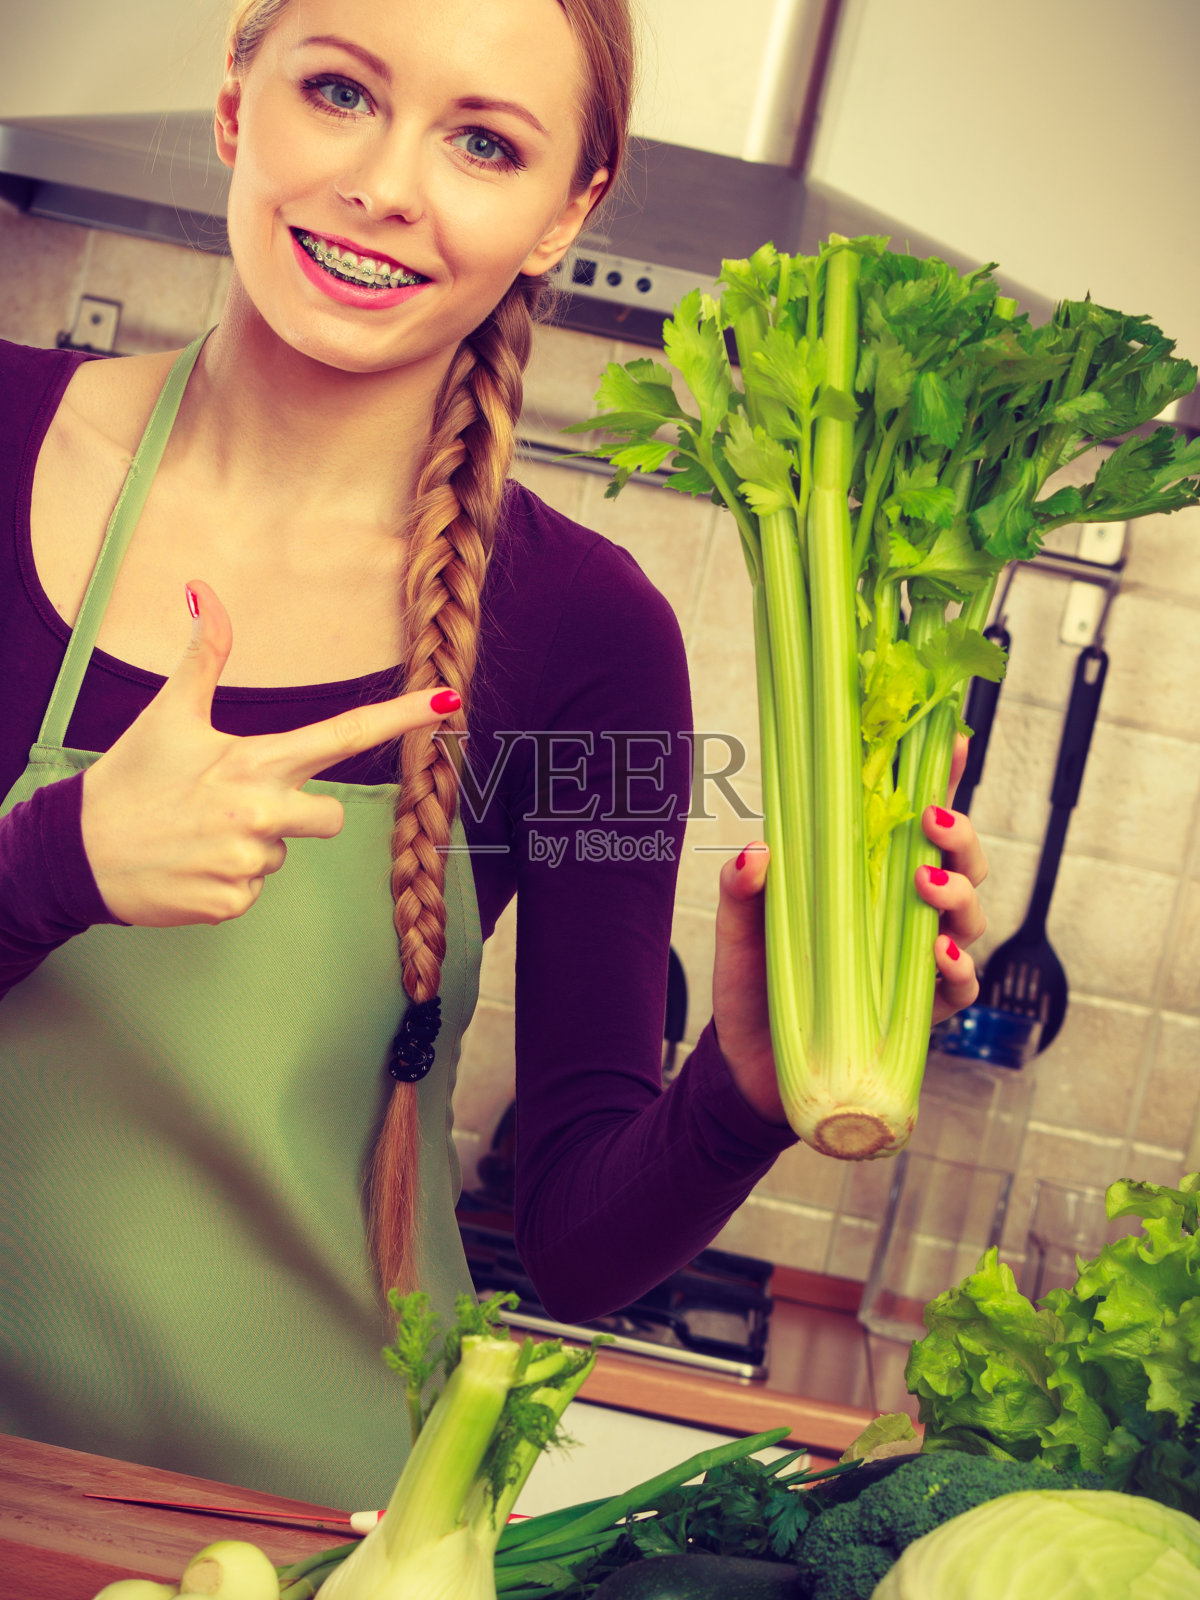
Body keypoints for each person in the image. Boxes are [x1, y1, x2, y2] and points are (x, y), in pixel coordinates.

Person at [0, 0, 987, 1506]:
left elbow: (581, 1240)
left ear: (563, 214)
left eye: (482, 141)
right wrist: (56, 865)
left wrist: (743, 1088)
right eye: (339, 89)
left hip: (310, 1540)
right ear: (232, 99)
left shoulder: (600, 640)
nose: (390, 183)